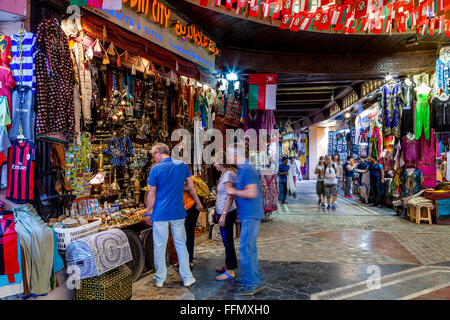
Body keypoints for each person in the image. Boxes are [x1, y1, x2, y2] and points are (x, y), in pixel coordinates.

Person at [145, 143, 203, 288]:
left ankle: (160, 278)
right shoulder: (182, 166)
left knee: (159, 246)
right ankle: (187, 277)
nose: (154, 159)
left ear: (158, 153)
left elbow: (152, 192)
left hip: (160, 212)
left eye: (154, 156)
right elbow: (190, 186)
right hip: (178, 211)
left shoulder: (155, 169)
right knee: (181, 244)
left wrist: (148, 211)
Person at [226, 143, 265, 295]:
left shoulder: (247, 169)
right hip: (249, 214)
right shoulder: (244, 169)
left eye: (230, 153)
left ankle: (250, 285)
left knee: (246, 249)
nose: (228, 157)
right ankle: (252, 280)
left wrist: (233, 190)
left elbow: (252, 193)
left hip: (251, 214)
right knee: (250, 249)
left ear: (236, 154)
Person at [213, 152, 238, 281]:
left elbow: (230, 196)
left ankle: (230, 271)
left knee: (228, 241)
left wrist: (223, 215)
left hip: (227, 213)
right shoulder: (225, 174)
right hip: (223, 212)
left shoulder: (228, 174)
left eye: (215, 162)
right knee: (226, 241)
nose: (213, 164)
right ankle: (228, 265)